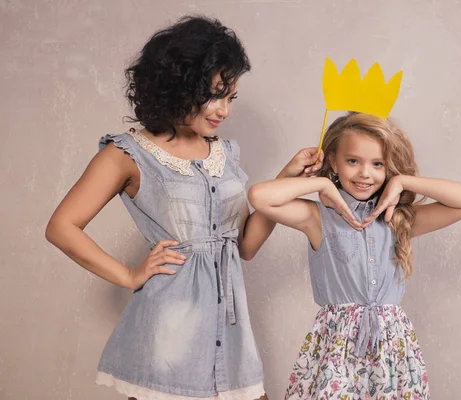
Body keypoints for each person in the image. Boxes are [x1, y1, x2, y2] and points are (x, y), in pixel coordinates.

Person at [45, 15, 323, 400]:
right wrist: (128, 275)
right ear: (178, 86)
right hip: (168, 338)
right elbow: (61, 226)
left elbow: (244, 245)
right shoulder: (128, 154)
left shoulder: (225, 153)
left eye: (230, 97)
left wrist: (287, 178)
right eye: (214, 94)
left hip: (232, 336)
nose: (223, 110)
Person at [248, 112, 461, 399]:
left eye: (377, 164)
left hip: (391, 351)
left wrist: (404, 182)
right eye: (353, 161)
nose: (365, 173)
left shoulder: (398, 220)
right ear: (333, 161)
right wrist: (321, 185)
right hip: (337, 348)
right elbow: (260, 196)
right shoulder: (318, 218)